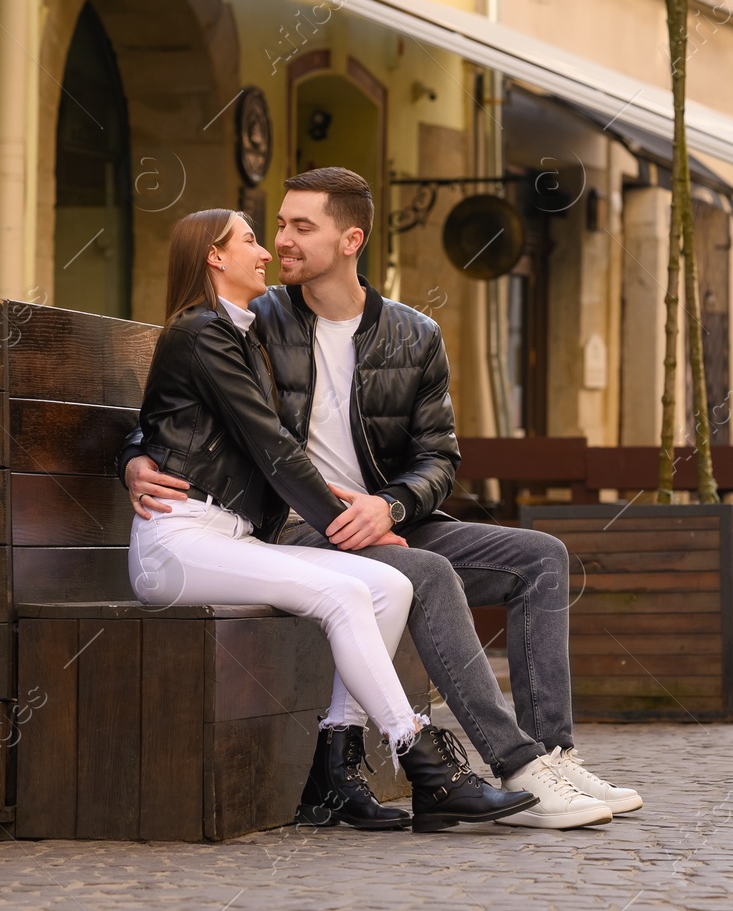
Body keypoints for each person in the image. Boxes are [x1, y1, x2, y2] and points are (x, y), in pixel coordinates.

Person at [121, 170, 637, 830]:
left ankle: (555, 756)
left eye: (299, 227)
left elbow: (440, 459)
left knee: (541, 557)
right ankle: (513, 765)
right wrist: (133, 459)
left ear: (350, 239)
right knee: (422, 573)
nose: (280, 240)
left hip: (381, 520)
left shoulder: (413, 335)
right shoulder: (255, 323)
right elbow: (169, 410)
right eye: (274, 226)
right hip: (299, 525)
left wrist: (390, 507)